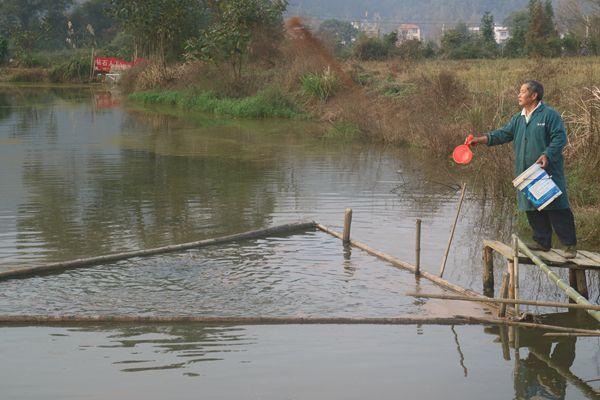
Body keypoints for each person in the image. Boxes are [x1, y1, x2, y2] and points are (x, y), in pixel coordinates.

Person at [471, 80, 577, 258]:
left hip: (546, 170)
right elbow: (503, 134)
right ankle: (542, 242)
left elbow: (559, 138)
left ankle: (569, 246)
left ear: (533, 95)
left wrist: (547, 154)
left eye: (522, 91)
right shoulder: (518, 118)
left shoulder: (549, 115)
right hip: (526, 171)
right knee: (531, 206)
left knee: (555, 206)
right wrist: (480, 139)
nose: (518, 95)